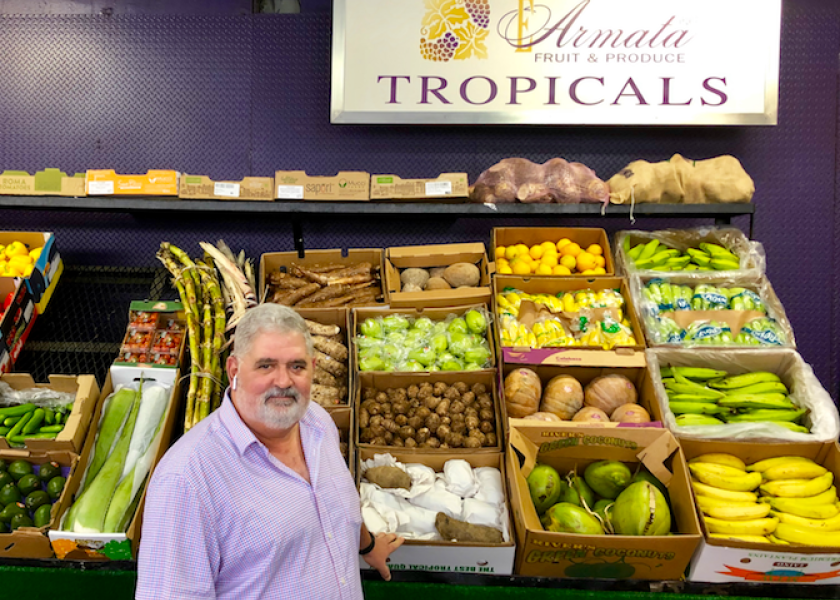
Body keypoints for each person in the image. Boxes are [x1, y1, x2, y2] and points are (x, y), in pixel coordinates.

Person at [137, 303, 403, 599]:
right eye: (266, 365)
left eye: (296, 366)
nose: (283, 381)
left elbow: (333, 506)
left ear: (313, 369)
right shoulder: (186, 481)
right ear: (234, 370)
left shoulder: (317, 423)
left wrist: (367, 546)